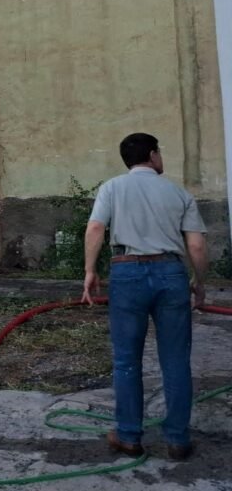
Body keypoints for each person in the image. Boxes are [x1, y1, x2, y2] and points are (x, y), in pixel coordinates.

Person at [82, 133, 208, 461]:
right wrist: (199, 282)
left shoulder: (112, 188)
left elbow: (95, 228)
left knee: (126, 360)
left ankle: (128, 436)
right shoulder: (179, 193)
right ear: (152, 155)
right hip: (171, 274)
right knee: (176, 361)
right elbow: (196, 245)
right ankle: (178, 440)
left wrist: (90, 270)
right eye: (160, 152)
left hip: (127, 273)